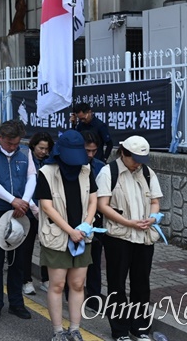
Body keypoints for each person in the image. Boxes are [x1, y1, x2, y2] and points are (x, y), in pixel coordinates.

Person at [96, 136, 164, 341]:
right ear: (123, 153)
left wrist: (152, 217)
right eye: (134, 158)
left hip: (143, 236)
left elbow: (155, 201)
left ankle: (140, 328)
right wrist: (128, 222)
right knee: (116, 283)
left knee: (141, 283)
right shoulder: (109, 172)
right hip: (118, 236)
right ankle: (120, 330)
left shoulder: (147, 172)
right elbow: (103, 205)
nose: (138, 163)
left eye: (142, 159)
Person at [35, 130, 98, 341]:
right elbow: (46, 206)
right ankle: (57, 331)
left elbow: (93, 200)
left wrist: (85, 226)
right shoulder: (46, 172)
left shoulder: (86, 169)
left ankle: (75, 328)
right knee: (57, 284)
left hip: (82, 235)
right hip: (57, 236)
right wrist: (70, 231)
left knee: (78, 284)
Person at [0, 120, 36, 322]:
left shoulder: (25, 151)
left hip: (21, 210)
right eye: (9, 143)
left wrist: (24, 202)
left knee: (18, 259)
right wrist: (12, 200)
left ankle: (16, 303)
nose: (13, 147)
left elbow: (32, 178)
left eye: (16, 143)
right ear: (0, 137)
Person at [23, 132, 55, 295]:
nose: (43, 151)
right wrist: (33, 207)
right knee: (27, 247)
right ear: (33, 145)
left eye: (46, 149)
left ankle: (46, 279)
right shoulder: (26, 160)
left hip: (47, 210)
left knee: (47, 246)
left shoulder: (50, 163)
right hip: (28, 209)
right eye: (41, 148)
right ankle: (26, 280)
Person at [81, 130, 106, 311]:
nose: (90, 155)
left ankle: (94, 297)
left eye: (94, 151)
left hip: (96, 220)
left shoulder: (101, 167)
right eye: (87, 151)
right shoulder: (70, 164)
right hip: (74, 219)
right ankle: (71, 292)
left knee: (95, 260)